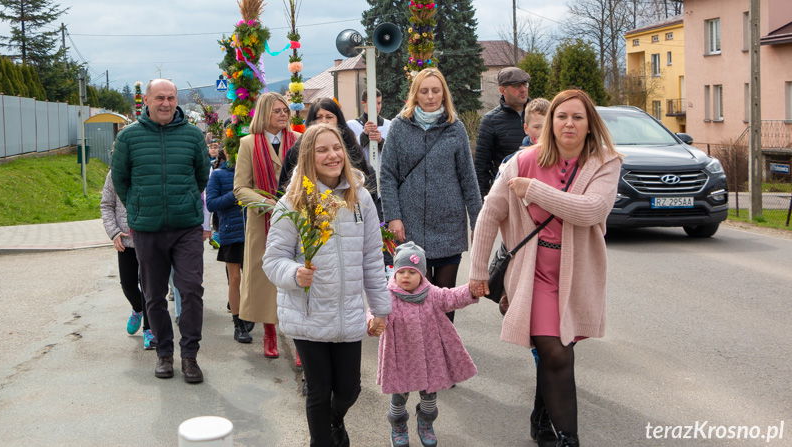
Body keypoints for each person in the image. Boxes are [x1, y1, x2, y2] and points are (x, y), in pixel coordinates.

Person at [468, 89, 622, 447]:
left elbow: (590, 211)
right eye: (561, 116)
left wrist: (534, 190)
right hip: (532, 273)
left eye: (577, 117)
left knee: (559, 346)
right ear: (550, 122)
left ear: (589, 125)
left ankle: (541, 419)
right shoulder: (521, 162)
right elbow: (491, 213)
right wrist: (477, 272)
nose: (569, 123)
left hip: (575, 274)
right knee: (555, 350)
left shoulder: (605, 162)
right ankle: (568, 438)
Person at [262, 123, 390, 447]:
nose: (332, 155)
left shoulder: (360, 199)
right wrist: (294, 273)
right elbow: (273, 259)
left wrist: (380, 310)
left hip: (348, 314)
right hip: (307, 313)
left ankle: (335, 422)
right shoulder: (292, 203)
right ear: (309, 156)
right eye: (322, 150)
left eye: (336, 148)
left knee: (349, 389)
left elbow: (373, 259)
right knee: (318, 391)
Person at [111, 79, 210, 384]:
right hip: (148, 229)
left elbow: (201, 176)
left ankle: (190, 355)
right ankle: (164, 354)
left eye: (170, 98)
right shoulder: (129, 138)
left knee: (191, 289)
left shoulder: (193, 136)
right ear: (147, 101)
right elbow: (121, 180)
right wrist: (140, 208)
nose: (166, 103)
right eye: (159, 98)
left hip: (186, 228)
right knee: (153, 295)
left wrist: (183, 202)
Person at [379, 67, 482, 322]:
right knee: (414, 296)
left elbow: (468, 179)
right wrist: (394, 217)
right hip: (410, 227)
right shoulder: (399, 128)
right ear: (415, 94)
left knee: (445, 301)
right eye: (424, 91)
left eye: (436, 90)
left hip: (448, 224)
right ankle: (418, 351)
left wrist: (478, 220)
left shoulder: (454, 128)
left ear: (443, 93)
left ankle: (445, 353)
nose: (430, 96)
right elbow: (387, 176)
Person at [374, 241, 478, 447]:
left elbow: (452, 297)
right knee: (398, 399)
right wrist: (373, 321)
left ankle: (425, 423)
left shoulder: (432, 294)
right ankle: (398, 426)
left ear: (422, 274)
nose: (405, 276)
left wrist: (472, 290)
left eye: (411, 272)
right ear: (394, 273)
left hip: (430, 357)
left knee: (430, 400)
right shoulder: (388, 296)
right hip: (400, 358)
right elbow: (377, 311)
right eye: (401, 271)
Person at [233, 91, 298, 359]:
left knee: (296, 277)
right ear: (264, 114)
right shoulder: (248, 143)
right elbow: (240, 187)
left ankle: (298, 339)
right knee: (265, 278)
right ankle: (269, 331)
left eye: (285, 110)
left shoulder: (299, 140)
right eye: (277, 111)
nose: (283, 115)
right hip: (263, 222)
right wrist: (270, 203)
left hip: (296, 220)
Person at [279, 98, 378, 213]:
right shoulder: (297, 151)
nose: (324, 121)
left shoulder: (352, 148)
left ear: (338, 120)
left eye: (329, 117)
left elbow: (366, 182)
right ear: (311, 121)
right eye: (319, 117)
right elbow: (285, 189)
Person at [100, 171, 154, 350]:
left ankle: (149, 330)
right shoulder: (115, 174)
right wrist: (114, 232)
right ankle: (138, 309)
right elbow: (107, 205)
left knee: (148, 286)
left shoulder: (148, 168)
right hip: (125, 240)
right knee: (128, 285)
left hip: (148, 237)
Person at [206, 147, 252, 344]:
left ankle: (249, 312)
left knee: (253, 278)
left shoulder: (253, 173)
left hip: (253, 233)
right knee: (234, 278)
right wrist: (236, 194)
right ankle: (238, 323)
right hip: (231, 233)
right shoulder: (218, 175)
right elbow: (211, 203)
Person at [474, 66, 532, 198]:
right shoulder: (490, 121)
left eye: (525, 84)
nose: (523, 89)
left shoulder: (541, 113)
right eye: (516, 86)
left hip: (538, 193)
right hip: (507, 195)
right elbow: (481, 168)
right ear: (502, 90)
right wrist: (485, 201)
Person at [500, 97, 551, 168]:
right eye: (537, 127)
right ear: (526, 128)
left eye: (547, 126)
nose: (543, 132)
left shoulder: (565, 157)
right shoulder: (512, 162)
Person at [347, 89, 391, 163]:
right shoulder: (351, 125)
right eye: (373, 103)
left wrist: (381, 141)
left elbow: (394, 153)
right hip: (360, 171)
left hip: (383, 172)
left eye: (379, 103)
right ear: (363, 103)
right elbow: (349, 152)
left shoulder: (389, 125)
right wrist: (364, 135)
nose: (377, 107)